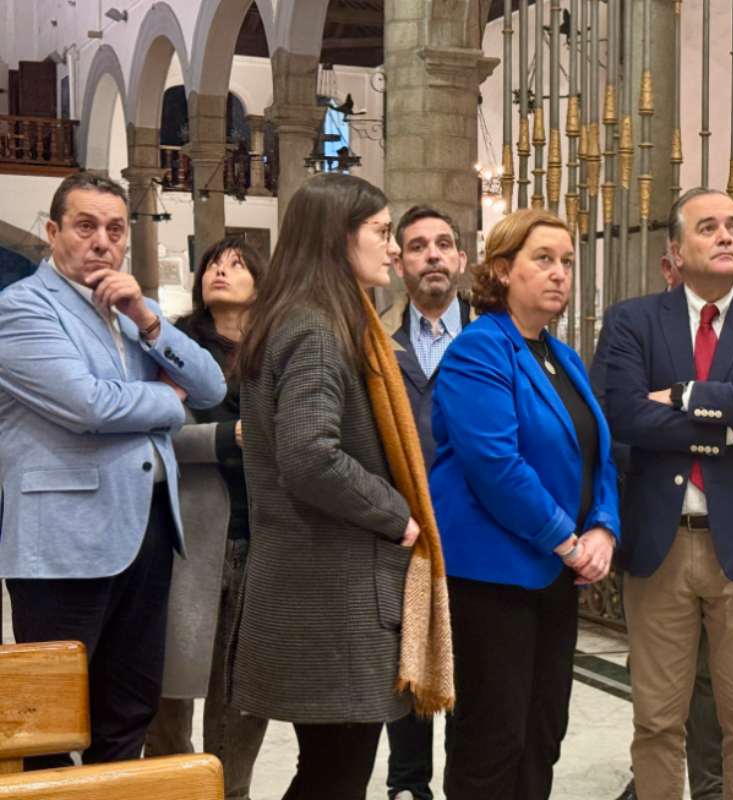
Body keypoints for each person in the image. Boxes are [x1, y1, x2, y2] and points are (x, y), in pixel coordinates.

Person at [233, 172, 451, 800]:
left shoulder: (307, 319)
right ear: (337, 238)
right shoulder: (319, 330)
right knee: (336, 775)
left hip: (316, 586)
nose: (392, 248)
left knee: (330, 769)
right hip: (330, 594)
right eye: (382, 233)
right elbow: (309, 456)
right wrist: (398, 514)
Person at [0, 171, 226, 766]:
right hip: (63, 542)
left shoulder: (134, 308)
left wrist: (148, 321)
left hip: (147, 528)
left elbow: (210, 383)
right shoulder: (20, 309)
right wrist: (165, 404)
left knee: (128, 711)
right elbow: (89, 406)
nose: (102, 241)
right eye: (85, 226)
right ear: (53, 232)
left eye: (115, 229)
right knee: (52, 725)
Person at [602, 187, 733, 799]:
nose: (726, 236)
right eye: (709, 227)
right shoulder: (633, 320)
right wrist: (731, 420)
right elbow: (624, 416)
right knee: (657, 719)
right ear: (676, 249)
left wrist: (686, 396)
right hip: (660, 546)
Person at [432, 208, 620, 800]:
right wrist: (567, 540)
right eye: (544, 259)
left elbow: (599, 454)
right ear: (502, 270)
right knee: (493, 740)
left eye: (567, 261)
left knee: (543, 731)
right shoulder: (478, 349)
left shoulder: (560, 356)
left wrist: (605, 531)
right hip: (492, 578)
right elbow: (495, 465)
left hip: (553, 578)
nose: (560, 273)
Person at [593, 246, 725, 800]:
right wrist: (714, 426)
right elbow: (617, 416)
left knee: (715, 680)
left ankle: (712, 782)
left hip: (723, 528)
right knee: (659, 681)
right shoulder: (634, 326)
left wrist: (674, 401)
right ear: (667, 267)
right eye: (671, 268)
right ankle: (654, 780)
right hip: (651, 518)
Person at [143, 236, 268, 800]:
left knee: (241, 697)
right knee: (171, 691)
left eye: (237, 265)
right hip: (191, 532)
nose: (221, 270)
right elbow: (154, 428)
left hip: (263, 535)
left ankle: (229, 791)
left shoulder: (277, 348)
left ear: (261, 282)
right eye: (214, 263)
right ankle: (171, 786)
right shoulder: (173, 345)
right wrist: (228, 436)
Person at [379, 204, 470, 800]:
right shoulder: (378, 346)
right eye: (417, 246)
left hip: (476, 538)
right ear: (399, 264)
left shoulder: (493, 341)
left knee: (472, 674)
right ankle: (408, 787)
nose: (432, 255)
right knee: (406, 673)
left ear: (462, 260)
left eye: (443, 244)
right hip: (403, 538)